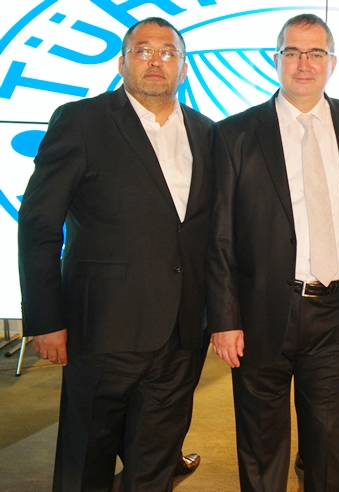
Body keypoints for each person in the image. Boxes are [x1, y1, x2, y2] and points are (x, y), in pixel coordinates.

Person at [18, 17, 213, 491]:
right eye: (143, 50)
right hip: (103, 330)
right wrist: (45, 318)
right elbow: (39, 225)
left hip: (182, 333)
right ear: (121, 62)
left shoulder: (207, 132)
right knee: (87, 459)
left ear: (184, 67)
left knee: (155, 461)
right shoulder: (81, 121)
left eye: (168, 52)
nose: (155, 61)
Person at [207, 13, 339, 492]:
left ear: (332, 63)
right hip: (260, 311)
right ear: (276, 59)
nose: (304, 63)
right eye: (293, 52)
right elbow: (219, 235)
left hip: (338, 313)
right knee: (262, 441)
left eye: (315, 53)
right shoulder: (235, 133)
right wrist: (224, 318)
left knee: (329, 439)